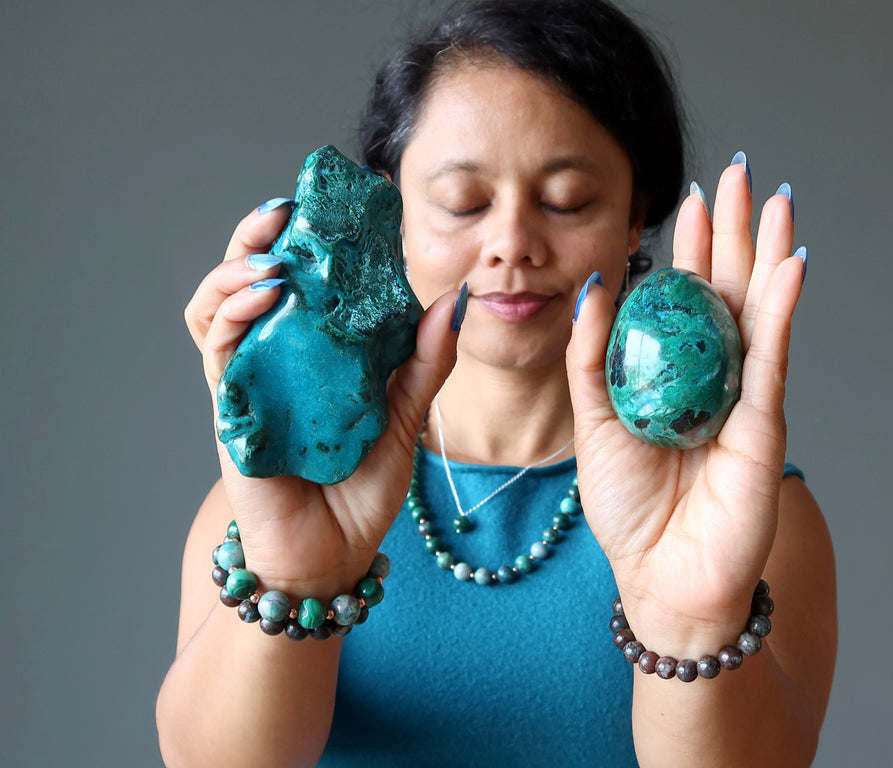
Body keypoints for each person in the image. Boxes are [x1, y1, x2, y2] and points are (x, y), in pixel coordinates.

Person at [156, 0, 837, 765]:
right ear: (392, 209)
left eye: (566, 200)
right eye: (463, 202)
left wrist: (692, 618)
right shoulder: (276, 498)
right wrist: (296, 575)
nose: (512, 244)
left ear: (635, 214)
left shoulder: (750, 516)